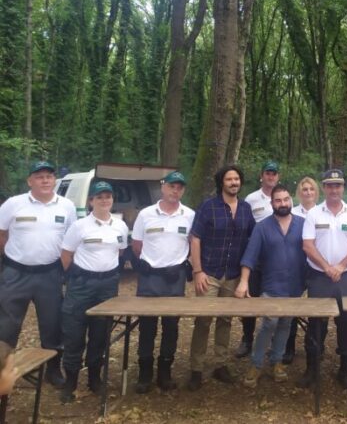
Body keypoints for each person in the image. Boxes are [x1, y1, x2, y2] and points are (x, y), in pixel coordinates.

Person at [0, 161, 77, 388]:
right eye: (39, 176)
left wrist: (62, 270)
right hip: (16, 273)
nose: (45, 180)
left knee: (52, 325)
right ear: (29, 181)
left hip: (50, 274)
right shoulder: (13, 204)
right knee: (6, 325)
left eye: (49, 176)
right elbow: (2, 235)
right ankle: (3, 370)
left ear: (55, 180)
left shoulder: (67, 206)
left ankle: (52, 370)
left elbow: (70, 241)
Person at [298, 169, 347, 391]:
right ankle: (312, 369)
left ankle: (345, 370)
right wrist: (327, 267)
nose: (334, 189)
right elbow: (307, 245)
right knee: (316, 324)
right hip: (319, 277)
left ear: (343, 188)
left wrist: (340, 266)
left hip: (346, 277)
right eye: (330, 185)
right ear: (324, 188)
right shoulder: (314, 214)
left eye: (338, 185)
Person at [59, 181, 128, 402]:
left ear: (112, 200)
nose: (104, 200)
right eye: (99, 197)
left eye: (108, 196)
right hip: (81, 284)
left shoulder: (120, 226)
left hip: (107, 284)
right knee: (74, 333)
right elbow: (66, 256)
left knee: (100, 333)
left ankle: (94, 379)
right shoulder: (79, 226)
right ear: (91, 201)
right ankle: (70, 382)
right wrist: (75, 279)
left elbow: (120, 252)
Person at [188, 165, 255, 390]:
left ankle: (220, 365)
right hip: (209, 274)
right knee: (203, 320)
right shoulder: (208, 206)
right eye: (229, 179)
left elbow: (251, 241)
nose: (234, 182)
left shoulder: (246, 209)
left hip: (233, 274)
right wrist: (198, 271)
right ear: (222, 182)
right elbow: (195, 238)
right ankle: (196, 369)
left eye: (237, 179)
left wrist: (245, 276)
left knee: (225, 320)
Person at [235, 184, 306, 388]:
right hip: (271, 285)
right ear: (271, 202)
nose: (282, 203)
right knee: (269, 323)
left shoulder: (303, 224)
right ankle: (256, 364)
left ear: (291, 200)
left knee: (285, 324)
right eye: (278, 200)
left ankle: (277, 361)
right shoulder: (263, 227)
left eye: (285, 199)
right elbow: (250, 255)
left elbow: (313, 251)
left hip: (294, 286)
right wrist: (244, 281)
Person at [132, 171, 195, 394]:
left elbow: (192, 244)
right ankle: (144, 374)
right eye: (171, 186)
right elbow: (137, 244)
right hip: (149, 277)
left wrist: (179, 265)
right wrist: (150, 265)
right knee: (147, 326)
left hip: (174, 278)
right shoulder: (146, 214)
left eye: (179, 187)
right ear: (163, 187)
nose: (175, 190)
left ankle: (164, 373)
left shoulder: (189, 215)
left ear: (183, 190)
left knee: (171, 326)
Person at [237, 161, 282, 358]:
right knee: (250, 300)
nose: (271, 177)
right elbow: (245, 227)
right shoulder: (251, 199)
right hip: (255, 258)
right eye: (268, 173)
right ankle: (247, 339)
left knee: (274, 299)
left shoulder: (283, 198)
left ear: (278, 177)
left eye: (274, 174)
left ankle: (273, 339)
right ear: (261, 176)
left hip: (276, 261)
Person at [284, 176, 319, 364]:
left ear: (316, 192)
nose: (308, 192)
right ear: (299, 193)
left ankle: (313, 346)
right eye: (304, 189)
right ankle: (288, 347)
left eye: (311, 189)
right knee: (291, 309)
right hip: (294, 266)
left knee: (316, 309)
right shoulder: (291, 213)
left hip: (315, 267)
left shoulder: (323, 212)